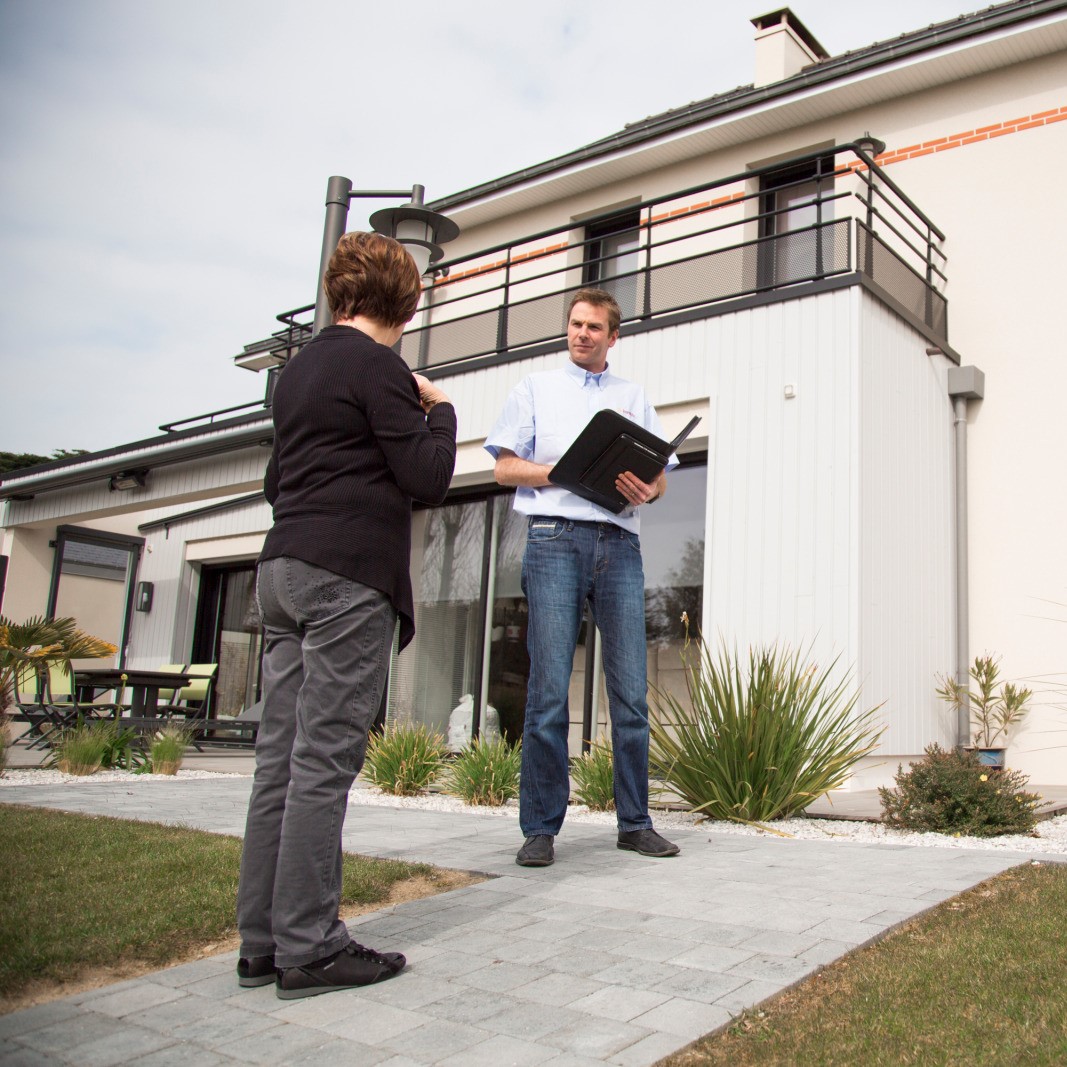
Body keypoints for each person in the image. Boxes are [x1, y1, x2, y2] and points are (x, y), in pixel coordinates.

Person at [236, 231, 457, 998]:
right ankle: (311, 945)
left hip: (281, 569)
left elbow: (275, 482)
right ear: (407, 301)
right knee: (324, 760)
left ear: (338, 292)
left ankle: (261, 942)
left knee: (279, 762)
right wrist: (441, 408)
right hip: (345, 578)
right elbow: (427, 478)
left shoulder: (296, 373)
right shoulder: (381, 368)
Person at [484, 287, 680, 868]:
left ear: (613, 337)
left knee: (630, 694)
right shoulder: (535, 389)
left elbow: (661, 477)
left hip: (620, 545)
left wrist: (650, 487)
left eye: (594, 327)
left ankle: (635, 824)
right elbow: (503, 467)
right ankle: (540, 829)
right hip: (553, 541)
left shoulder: (632, 396)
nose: (581, 334)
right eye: (575, 324)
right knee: (547, 690)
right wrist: (563, 471)